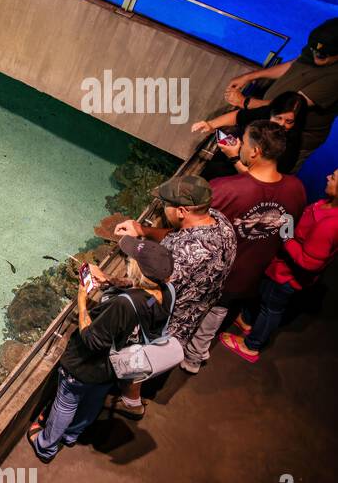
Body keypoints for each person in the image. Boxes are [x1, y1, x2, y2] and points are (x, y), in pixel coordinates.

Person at [28, 238, 174, 462]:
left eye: (132, 258)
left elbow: (92, 340)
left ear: (139, 270)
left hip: (87, 366)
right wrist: (108, 280)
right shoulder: (167, 291)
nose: (128, 259)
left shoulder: (123, 305)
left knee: (66, 402)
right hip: (117, 365)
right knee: (94, 398)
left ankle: (45, 446)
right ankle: (71, 435)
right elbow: (142, 299)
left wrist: (82, 301)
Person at [183, 121, 306, 372]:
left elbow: (193, 229)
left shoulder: (223, 189)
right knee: (217, 313)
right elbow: (286, 230)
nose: (239, 144)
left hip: (211, 273)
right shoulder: (296, 188)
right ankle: (194, 358)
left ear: (254, 152)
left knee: (186, 312)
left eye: (245, 141)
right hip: (248, 275)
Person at [110, 176, 236, 416]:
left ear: (181, 210)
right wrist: (142, 230)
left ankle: (131, 400)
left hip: (170, 319)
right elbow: (176, 235)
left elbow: (152, 290)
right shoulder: (220, 221)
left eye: (165, 203)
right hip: (199, 306)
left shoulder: (185, 257)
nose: (162, 207)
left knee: (139, 353)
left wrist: (112, 282)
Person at [222, 167, 338, 362]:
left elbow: (310, 263)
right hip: (280, 268)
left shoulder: (330, 225)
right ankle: (248, 321)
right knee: (264, 294)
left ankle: (252, 346)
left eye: (334, 178)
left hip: (288, 277)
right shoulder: (327, 204)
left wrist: (286, 236)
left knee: (272, 308)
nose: (328, 177)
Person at [221, 18, 338, 171]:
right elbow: (292, 66)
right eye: (314, 51)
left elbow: (290, 106)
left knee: (267, 178)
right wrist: (250, 76)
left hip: (289, 137)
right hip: (269, 122)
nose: (316, 55)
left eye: (323, 55)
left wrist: (245, 102)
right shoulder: (316, 48)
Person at [193, 91, 307, 176]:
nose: (281, 124)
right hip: (222, 166)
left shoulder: (290, 146)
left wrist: (234, 158)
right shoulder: (265, 113)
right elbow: (238, 116)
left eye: (289, 122)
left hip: (241, 181)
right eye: (278, 118)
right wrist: (211, 124)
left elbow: (259, 180)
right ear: (272, 112)